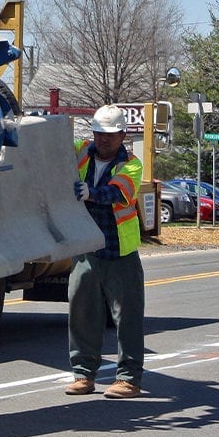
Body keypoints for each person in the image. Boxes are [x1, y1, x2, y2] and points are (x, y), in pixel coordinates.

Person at [66, 104, 146, 399]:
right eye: (99, 133)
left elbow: (119, 193)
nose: (104, 139)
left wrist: (91, 193)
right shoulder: (80, 150)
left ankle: (128, 379)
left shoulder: (132, 164)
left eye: (111, 134)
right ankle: (83, 375)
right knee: (82, 313)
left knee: (127, 317)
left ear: (123, 135)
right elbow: (53, 147)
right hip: (86, 248)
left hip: (118, 252)